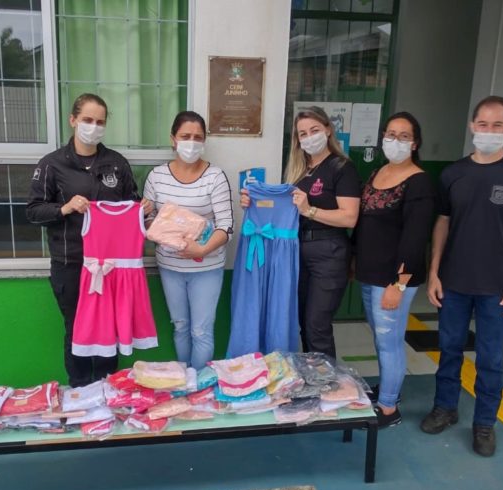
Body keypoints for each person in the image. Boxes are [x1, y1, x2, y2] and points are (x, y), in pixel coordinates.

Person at [421, 95, 503, 456]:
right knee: (448, 350)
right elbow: (442, 225)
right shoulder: (453, 173)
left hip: (501, 289)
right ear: (472, 126)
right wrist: (434, 272)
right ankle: (445, 407)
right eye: (482, 124)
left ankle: (485, 424)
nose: (489, 131)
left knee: (491, 359)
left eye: (497, 125)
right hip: (455, 283)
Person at [27, 93, 139, 387]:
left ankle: (107, 388)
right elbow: (34, 211)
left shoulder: (117, 164)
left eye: (100, 121)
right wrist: (64, 208)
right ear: (73, 120)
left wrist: (145, 211)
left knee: (108, 328)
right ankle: (79, 390)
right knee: (77, 327)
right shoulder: (52, 164)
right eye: (88, 120)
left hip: (110, 266)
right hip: (72, 263)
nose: (94, 126)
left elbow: (132, 206)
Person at [243, 106, 361, 357]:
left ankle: (326, 384)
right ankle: (312, 378)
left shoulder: (342, 168)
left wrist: (310, 211)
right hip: (297, 253)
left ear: (328, 130)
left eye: (315, 130)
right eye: (303, 133)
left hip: (329, 253)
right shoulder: (300, 169)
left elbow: (349, 217)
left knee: (317, 325)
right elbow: (284, 206)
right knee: (302, 324)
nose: (309, 137)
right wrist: (254, 202)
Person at [352, 112, 436, 427]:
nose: (395, 141)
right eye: (390, 134)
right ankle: (389, 391)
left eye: (403, 136)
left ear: (415, 143)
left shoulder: (419, 182)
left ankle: (389, 408)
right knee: (380, 338)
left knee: (390, 341)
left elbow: (415, 239)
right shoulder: (377, 173)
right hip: (370, 275)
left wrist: (398, 285)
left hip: (394, 279)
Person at [142, 111, 233, 370]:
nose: (191, 143)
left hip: (206, 267)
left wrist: (201, 248)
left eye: (197, 137)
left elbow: (227, 226)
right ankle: (184, 380)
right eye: (185, 136)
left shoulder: (215, 177)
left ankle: (198, 388)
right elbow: (148, 220)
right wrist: (155, 226)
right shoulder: (156, 176)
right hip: (170, 267)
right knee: (180, 326)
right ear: (173, 139)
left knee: (201, 331)